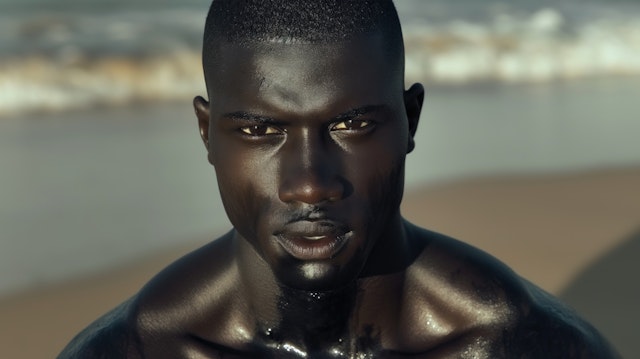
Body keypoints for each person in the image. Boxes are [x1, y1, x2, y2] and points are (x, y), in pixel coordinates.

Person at [58, 1, 620, 358]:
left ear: (410, 121)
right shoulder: (137, 350)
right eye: (259, 130)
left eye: (352, 124)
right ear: (207, 133)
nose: (309, 185)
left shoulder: (520, 346)